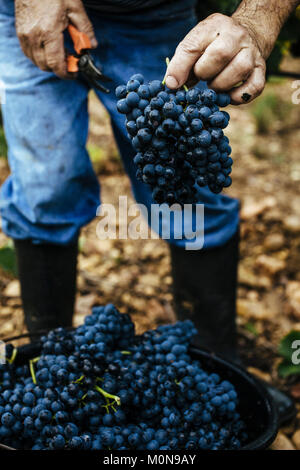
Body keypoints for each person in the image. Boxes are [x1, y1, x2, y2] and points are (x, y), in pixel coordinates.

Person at [0, 0, 298, 361]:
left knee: (188, 196)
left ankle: (214, 366)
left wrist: (259, 20)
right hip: (27, 8)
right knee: (44, 187)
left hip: (151, 11)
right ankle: (47, 366)